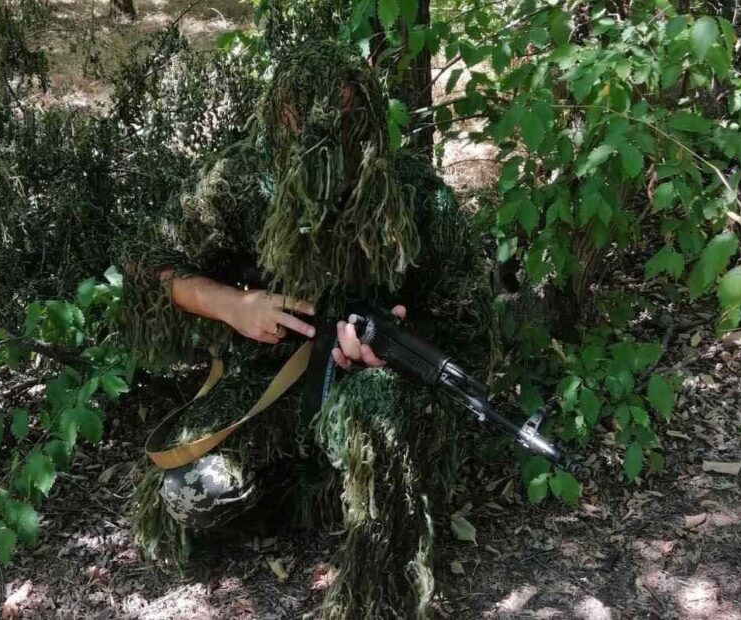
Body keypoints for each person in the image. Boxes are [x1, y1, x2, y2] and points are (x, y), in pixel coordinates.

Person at [122, 40, 497, 619]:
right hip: (270, 385)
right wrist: (233, 305)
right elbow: (147, 261)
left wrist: (397, 342)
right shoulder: (241, 181)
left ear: (369, 120)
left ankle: (376, 593)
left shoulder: (416, 196)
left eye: (344, 119)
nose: (323, 137)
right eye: (304, 120)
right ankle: (300, 491)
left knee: (375, 423)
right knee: (190, 491)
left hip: (379, 394)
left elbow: (468, 320)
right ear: (276, 119)